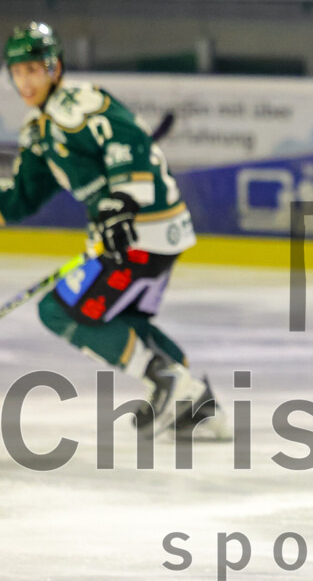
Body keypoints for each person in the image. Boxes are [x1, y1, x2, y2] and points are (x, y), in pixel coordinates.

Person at [1, 22, 224, 437]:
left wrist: (121, 202)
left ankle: (164, 379)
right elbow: (20, 200)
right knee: (124, 318)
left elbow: (129, 141)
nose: (25, 80)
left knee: (57, 309)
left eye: (34, 69)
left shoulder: (81, 103)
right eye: (17, 72)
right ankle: (199, 405)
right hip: (146, 234)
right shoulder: (41, 130)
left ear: (55, 67)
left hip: (142, 231)